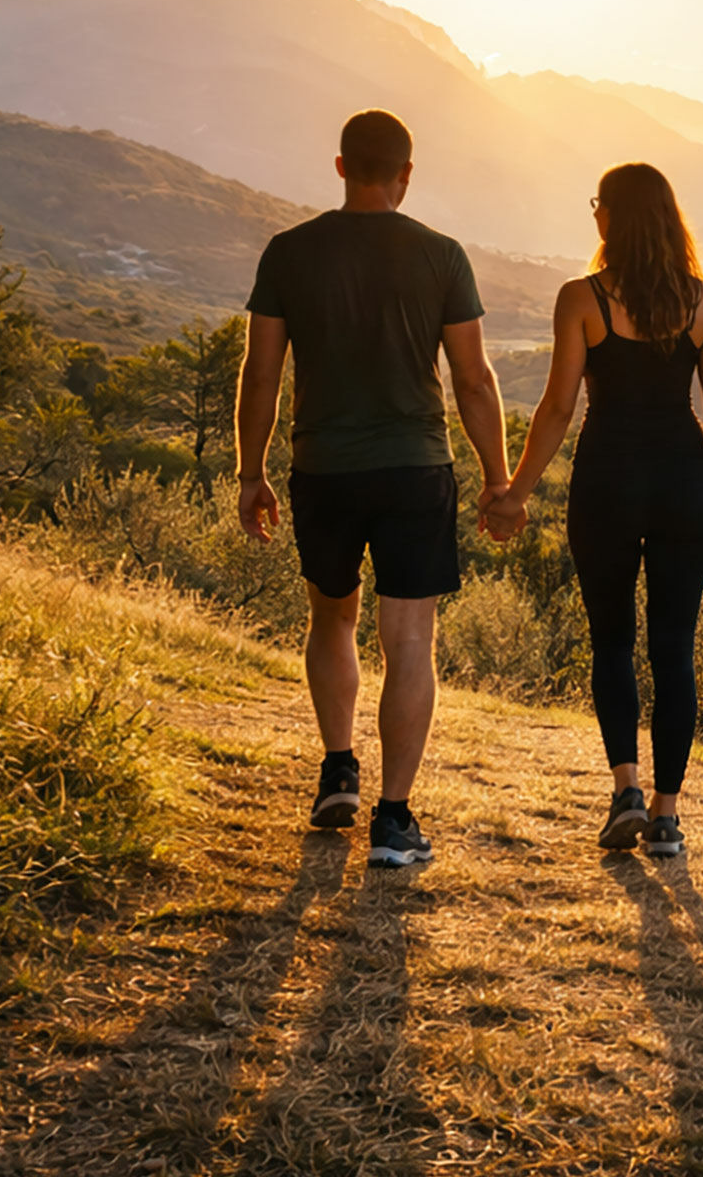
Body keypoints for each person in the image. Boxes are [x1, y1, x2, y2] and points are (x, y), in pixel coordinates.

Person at [234, 109, 514, 869]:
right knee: (409, 640)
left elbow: (262, 372)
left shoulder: (289, 252)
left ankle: (337, 769)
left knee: (331, 619)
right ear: (406, 175)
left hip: (322, 468)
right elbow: (473, 379)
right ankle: (393, 820)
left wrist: (251, 471)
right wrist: (499, 479)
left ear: (339, 166)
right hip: (415, 468)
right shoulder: (442, 255)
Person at [489, 163, 703, 857]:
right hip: (683, 486)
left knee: (611, 642)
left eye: (597, 205)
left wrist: (515, 491)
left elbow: (556, 409)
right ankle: (667, 816)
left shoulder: (582, 298)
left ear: (613, 218)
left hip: (605, 481)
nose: (593, 216)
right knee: (673, 650)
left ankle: (626, 790)